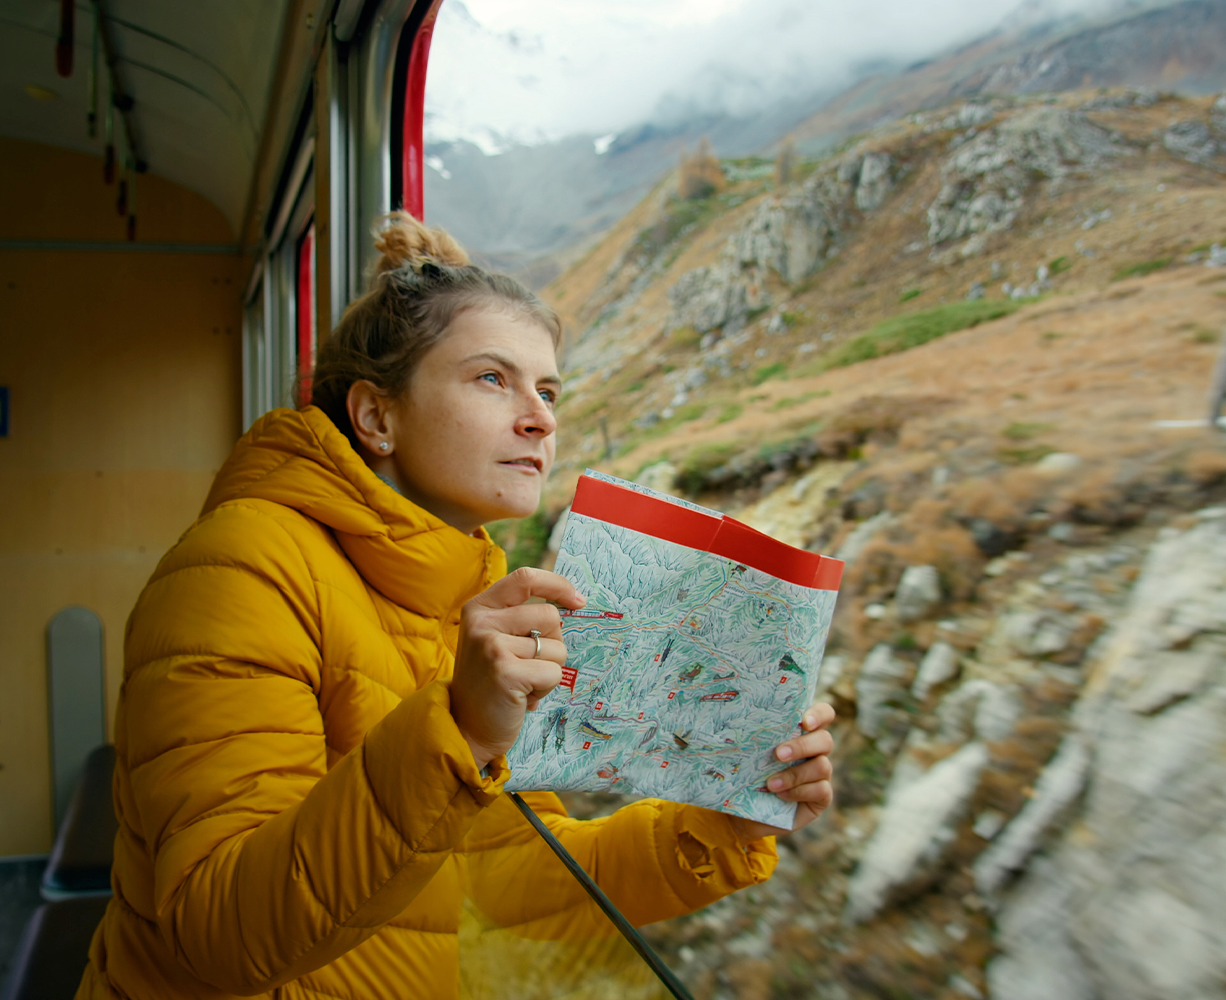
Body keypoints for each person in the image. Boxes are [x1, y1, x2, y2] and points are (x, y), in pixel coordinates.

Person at [77, 215, 837, 1000]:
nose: (541, 417)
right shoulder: (238, 571)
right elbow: (217, 932)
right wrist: (460, 729)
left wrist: (729, 820)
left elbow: (507, 884)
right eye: (491, 379)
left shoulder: (463, 597)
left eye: (548, 389)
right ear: (377, 417)